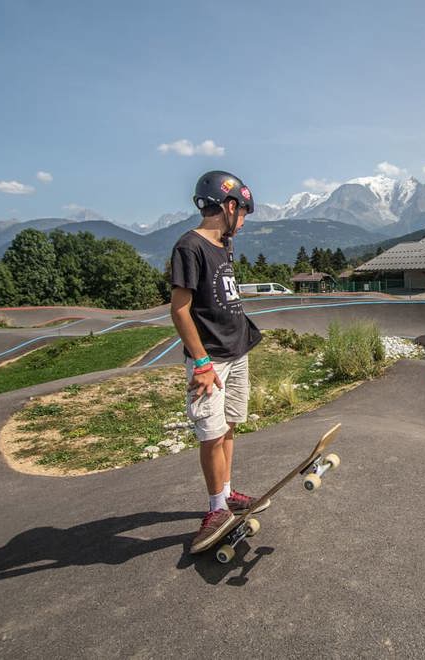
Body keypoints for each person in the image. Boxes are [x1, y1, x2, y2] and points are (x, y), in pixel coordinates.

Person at [169, 170, 269, 554]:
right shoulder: (189, 247)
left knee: (227, 426)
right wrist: (202, 362)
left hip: (236, 349)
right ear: (229, 206)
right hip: (210, 359)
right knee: (210, 433)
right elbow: (180, 310)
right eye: (242, 214)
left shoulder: (224, 245)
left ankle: (226, 495)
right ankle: (214, 509)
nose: (242, 223)